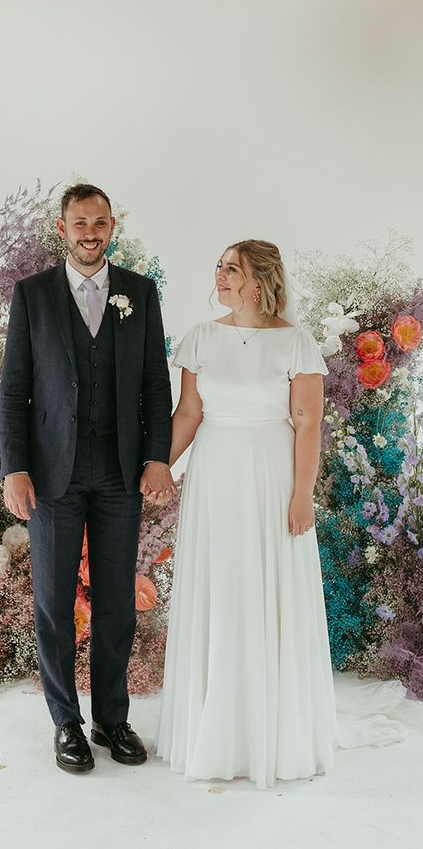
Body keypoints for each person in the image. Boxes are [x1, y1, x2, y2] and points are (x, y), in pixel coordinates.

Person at [0, 183, 174, 774]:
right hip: (52, 475)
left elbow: (155, 384)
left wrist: (158, 458)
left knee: (117, 603)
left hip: (121, 472)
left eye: (100, 222)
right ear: (62, 227)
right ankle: (66, 722)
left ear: (112, 226)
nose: (90, 232)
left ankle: (111, 718)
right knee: (52, 601)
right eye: (80, 222)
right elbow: (14, 390)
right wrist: (15, 467)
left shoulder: (140, 293)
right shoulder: (32, 296)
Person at [155, 239, 337, 789]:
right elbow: (189, 412)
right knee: (221, 589)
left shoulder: (296, 343)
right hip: (214, 477)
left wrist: (301, 494)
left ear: (259, 281)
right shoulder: (202, 337)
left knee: (268, 590)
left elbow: (307, 424)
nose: (221, 275)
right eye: (219, 266)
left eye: (231, 268)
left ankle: (273, 732)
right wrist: (158, 466)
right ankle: (216, 725)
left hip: (269, 477)